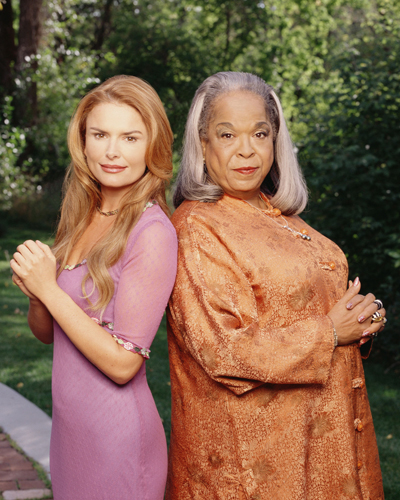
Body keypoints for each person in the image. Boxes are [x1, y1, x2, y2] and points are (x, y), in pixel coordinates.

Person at [166, 71, 386, 499]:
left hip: (324, 440)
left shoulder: (278, 213)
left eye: (260, 133)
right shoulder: (197, 227)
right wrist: (331, 332)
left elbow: (314, 305)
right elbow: (224, 350)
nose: (246, 149)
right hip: (253, 463)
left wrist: (361, 321)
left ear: (275, 139)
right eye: (227, 134)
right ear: (203, 143)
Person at [10, 75, 177, 500]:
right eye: (100, 134)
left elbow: (124, 364)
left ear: (152, 146)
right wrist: (36, 294)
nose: (112, 151)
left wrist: (49, 290)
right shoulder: (82, 215)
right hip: (71, 436)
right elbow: (48, 334)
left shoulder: (152, 232)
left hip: (117, 441)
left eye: (130, 138)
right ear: (83, 142)